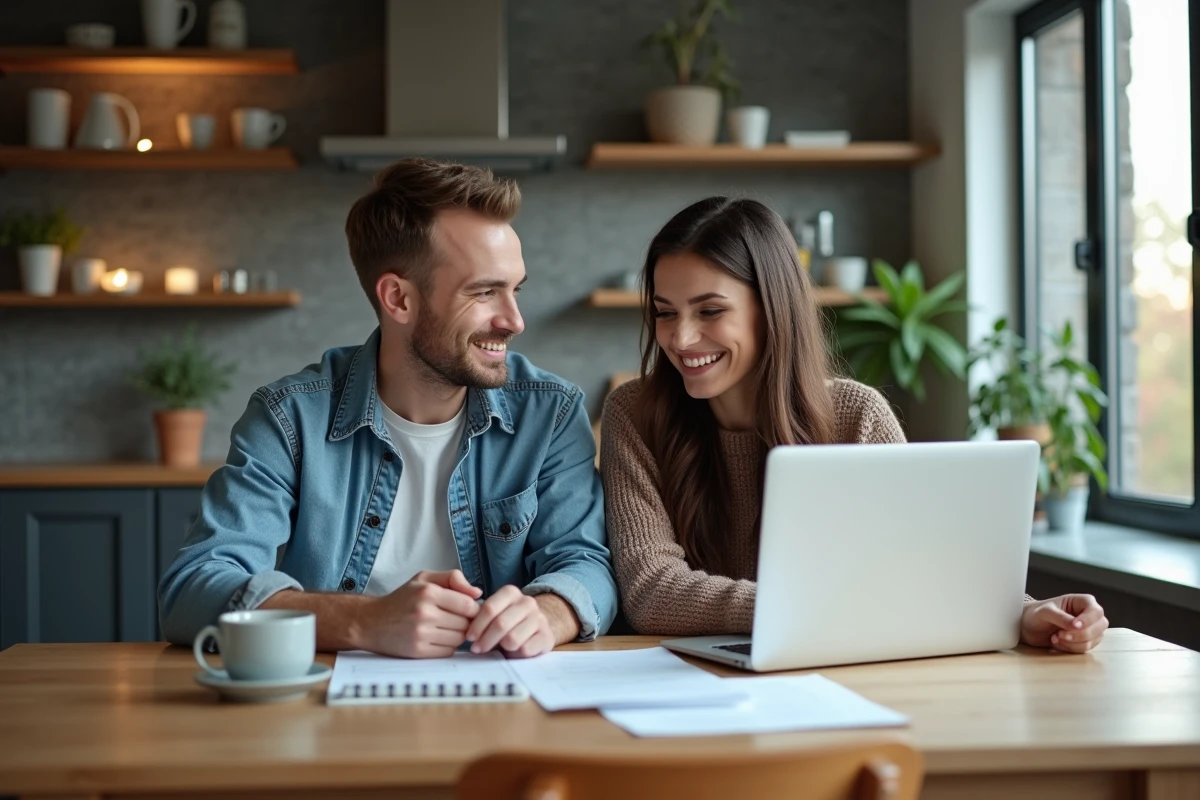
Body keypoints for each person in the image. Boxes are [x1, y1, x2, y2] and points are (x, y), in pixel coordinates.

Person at [600, 196, 1108, 654]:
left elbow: (923, 561)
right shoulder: (636, 414)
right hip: (686, 686)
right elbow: (652, 593)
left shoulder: (857, 415)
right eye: (665, 313)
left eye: (710, 310)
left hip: (838, 673)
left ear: (770, 309)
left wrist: (1019, 611)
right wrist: (829, 605)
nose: (682, 338)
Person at [160, 158, 617, 659]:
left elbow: (587, 564)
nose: (514, 320)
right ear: (398, 298)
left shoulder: (549, 415)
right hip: (324, 716)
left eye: (515, 289)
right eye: (485, 292)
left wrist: (550, 612)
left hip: (501, 703)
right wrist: (365, 621)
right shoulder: (289, 419)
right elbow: (192, 589)